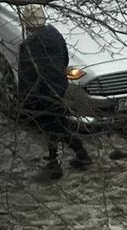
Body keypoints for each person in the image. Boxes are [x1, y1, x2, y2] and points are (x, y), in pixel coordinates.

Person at [17, 5, 91, 182]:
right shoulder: (55, 35)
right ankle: (74, 154)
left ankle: (58, 161)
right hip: (58, 86)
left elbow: (27, 75)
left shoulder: (28, 46)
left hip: (41, 92)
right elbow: (64, 59)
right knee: (57, 123)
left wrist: (24, 98)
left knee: (52, 126)